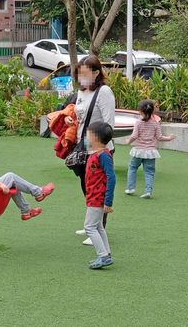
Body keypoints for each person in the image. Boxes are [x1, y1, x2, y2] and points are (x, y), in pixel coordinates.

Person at [65, 55, 115, 245]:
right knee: (87, 187)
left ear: (96, 73)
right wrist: (71, 120)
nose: (82, 77)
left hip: (99, 148)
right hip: (82, 146)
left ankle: (97, 228)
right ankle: (91, 224)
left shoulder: (104, 92)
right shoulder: (81, 92)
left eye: (85, 73)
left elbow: (109, 124)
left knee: (97, 189)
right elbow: (80, 115)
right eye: (80, 74)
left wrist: (97, 146)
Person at [125, 100, 176, 198]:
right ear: (152, 111)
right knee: (149, 172)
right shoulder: (155, 124)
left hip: (138, 151)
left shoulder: (138, 123)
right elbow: (159, 137)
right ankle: (148, 191)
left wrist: (128, 141)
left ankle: (130, 188)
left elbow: (134, 135)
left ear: (140, 111)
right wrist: (169, 138)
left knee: (132, 168)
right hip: (150, 152)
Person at [83, 122, 115, 269]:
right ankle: (106, 254)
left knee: (89, 227)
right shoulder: (96, 154)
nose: (87, 137)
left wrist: (108, 201)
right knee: (98, 227)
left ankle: (103, 256)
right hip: (93, 196)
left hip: (98, 197)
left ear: (95, 137)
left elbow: (111, 177)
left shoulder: (104, 155)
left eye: (89, 134)